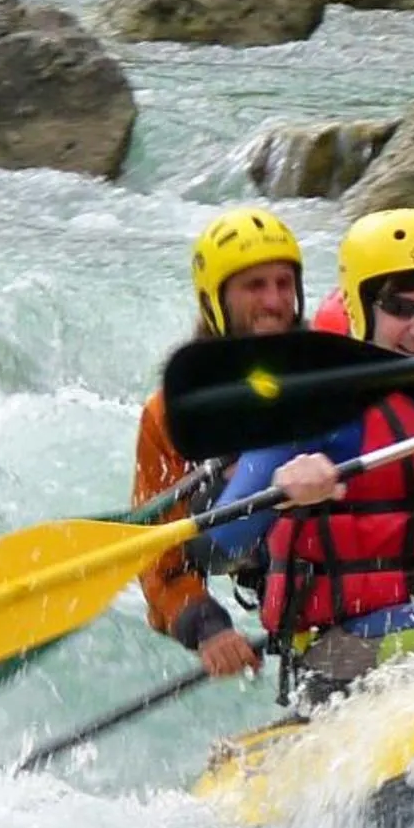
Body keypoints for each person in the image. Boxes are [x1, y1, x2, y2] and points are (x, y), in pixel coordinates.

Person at [205, 210, 414, 675]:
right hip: (345, 649)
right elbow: (218, 547)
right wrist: (279, 492)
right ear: (361, 309)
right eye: (400, 309)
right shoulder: (314, 405)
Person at [133, 206, 306, 679]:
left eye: (284, 283)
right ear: (216, 300)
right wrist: (206, 625)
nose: (275, 301)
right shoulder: (171, 415)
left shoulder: (333, 372)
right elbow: (158, 562)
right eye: (255, 286)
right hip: (298, 612)